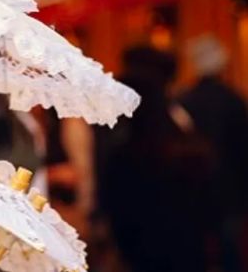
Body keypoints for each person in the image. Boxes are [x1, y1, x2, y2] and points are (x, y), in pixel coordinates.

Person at [97, 46, 215, 272]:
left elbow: (115, 209)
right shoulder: (183, 142)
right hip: (186, 248)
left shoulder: (125, 152)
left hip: (147, 252)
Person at [180, 35, 248, 272]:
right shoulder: (232, 100)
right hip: (230, 189)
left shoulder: (184, 101)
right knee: (230, 251)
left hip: (195, 190)